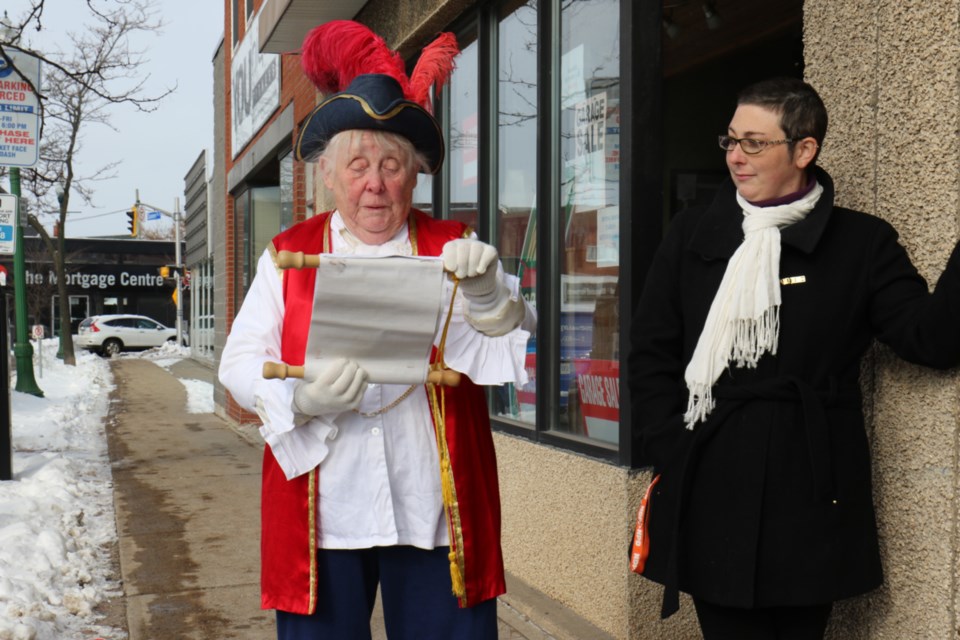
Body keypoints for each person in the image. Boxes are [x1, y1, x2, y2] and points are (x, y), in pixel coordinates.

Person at [219, 21, 534, 640]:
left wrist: (487, 293)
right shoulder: (287, 254)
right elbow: (237, 363)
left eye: (391, 164)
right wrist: (298, 400)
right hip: (326, 505)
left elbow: (507, 342)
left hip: (432, 505)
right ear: (329, 176)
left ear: (415, 174)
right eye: (357, 164)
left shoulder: (455, 247)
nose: (375, 182)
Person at [628, 77, 960, 638]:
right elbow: (650, 352)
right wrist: (674, 446)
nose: (736, 155)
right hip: (713, 475)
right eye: (731, 140)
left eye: (755, 143)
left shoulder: (861, 242)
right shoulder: (692, 233)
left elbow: (929, 339)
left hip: (810, 484)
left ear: (804, 149)